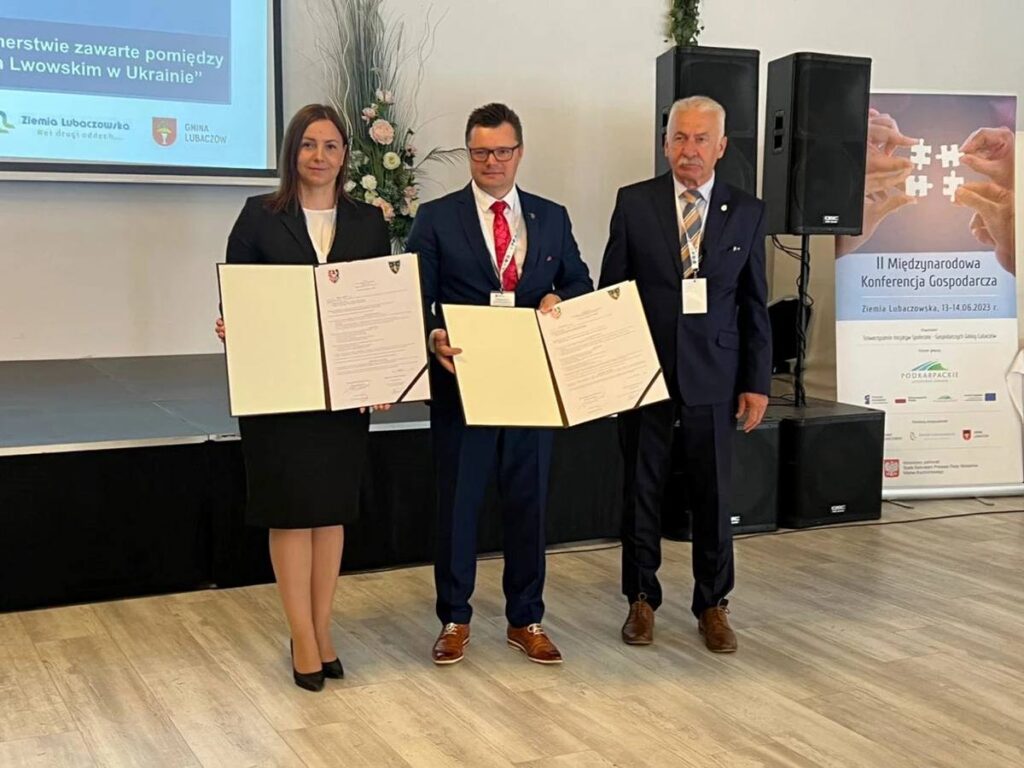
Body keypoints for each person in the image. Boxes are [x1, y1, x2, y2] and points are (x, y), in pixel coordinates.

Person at [406, 103, 592, 665]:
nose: (492, 161)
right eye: (481, 152)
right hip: (464, 385)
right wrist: (433, 335)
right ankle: (454, 619)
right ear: (469, 154)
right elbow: (414, 297)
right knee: (458, 506)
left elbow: (580, 281)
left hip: (531, 386)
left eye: (503, 151)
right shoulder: (436, 218)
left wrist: (560, 297)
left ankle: (525, 618)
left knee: (528, 506)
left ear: (519, 152)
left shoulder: (551, 217)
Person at [215, 104, 391, 691]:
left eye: (331, 146)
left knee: (330, 512)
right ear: (292, 152)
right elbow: (239, 297)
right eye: (309, 145)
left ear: (346, 156)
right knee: (291, 513)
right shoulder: (259, 216)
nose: (320, 156)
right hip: (279, 390)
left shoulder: (369, 222)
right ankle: (302, 636)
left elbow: (379, 309)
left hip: (341, 394)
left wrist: (381, 374)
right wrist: (233, 323)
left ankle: (321, 628)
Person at [598, 95, 771, 653]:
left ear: (721, 147)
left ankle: (713, 604)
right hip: (644, 372)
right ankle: (640, 600)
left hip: (716, 373)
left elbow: (754, 304)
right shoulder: (634, 203)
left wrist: (757, 382)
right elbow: (612, 292)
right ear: (665, 143)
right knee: (640, 490)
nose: (689, 150)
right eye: (679, 137)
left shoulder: (748, 211)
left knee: (713, 493)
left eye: (701, 139)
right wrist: (609, 371)